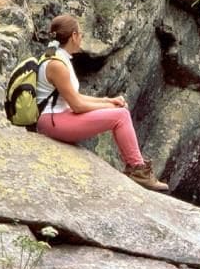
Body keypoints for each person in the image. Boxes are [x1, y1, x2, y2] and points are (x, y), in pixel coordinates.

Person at [35, 14, 169, 192]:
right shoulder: (57, 64)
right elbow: (77, 105)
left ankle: (137, 168)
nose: (81, 37)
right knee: (121, 116)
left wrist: (108, 101)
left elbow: (76, 98)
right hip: (52, 121)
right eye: (80, 33)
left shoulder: (59, 57)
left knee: (118, 111)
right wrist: (109, 106)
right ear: (74, 36)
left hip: (57, 117)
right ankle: (138, 169)